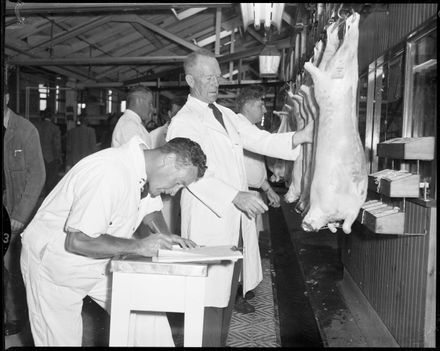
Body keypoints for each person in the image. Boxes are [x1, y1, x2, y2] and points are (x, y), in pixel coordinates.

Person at [166, 49, 314, 346]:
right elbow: (187, 171)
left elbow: (258, 139)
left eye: (218, 76)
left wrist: (298, 138)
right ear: (190, 80)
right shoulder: (184, 122)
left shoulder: (225, 114)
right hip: (209, 221)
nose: (215, 83)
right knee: (207, 301)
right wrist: (234, 195)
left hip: (232, 222)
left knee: (224, 299)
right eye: (208, 77)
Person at [20, 136, 208, 346]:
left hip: (98, 258)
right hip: (55, 263)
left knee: (146, 312)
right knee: (60, 340)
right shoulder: (109, 171)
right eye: (178, 183)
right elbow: (78, 241)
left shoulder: (145, 168)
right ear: (169, 159)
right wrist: (139, 246)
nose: (174, 192)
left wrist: (165, 238)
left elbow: (150, 212)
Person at [233, 86, 282, 314]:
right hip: (240, 194)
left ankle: (243, 287)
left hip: (252, 190)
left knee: (249, 245)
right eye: (260, 105)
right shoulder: (238, 126)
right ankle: (234, 295)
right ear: (248, 105)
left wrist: (268, 188)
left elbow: (255, 167)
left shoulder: (250, 128)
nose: (263, 109)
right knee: (239, 246)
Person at [3, 88, 46, 336]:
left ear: (7, 98)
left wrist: (20, 214)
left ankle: (16, 318)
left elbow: (37, 176)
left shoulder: (25, 130)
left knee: (13, 267)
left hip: (15, 211)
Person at [150, 97, 185, 233]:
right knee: (163, 229)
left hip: (178, 194)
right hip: (159, 195)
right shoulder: (155, 135)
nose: (178, 116)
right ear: (169, 113)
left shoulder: (188, 134)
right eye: (175, 112)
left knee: (176, 227)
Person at [33, 108, 62, 196]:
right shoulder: (55, 128)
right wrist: (58, 158)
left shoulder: (35, 126)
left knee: (37, 182)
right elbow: (56, 145)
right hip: (50, 159)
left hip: (37, 158)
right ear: (52, 116)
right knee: (51, 184)